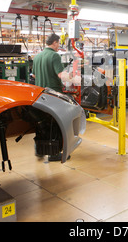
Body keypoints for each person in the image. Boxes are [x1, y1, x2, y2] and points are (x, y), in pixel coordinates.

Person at [32, 33, 79, 161]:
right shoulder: (54, 55)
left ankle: (40, 149)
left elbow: (34, 76)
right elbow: (60, 75)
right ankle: (53, 153)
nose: (59, 46)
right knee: (55, 123)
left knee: (41, 122)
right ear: (54, 43)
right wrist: (74, 79)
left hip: (39, 95)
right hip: (53, 94)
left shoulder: (37, 57)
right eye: (58, 43)